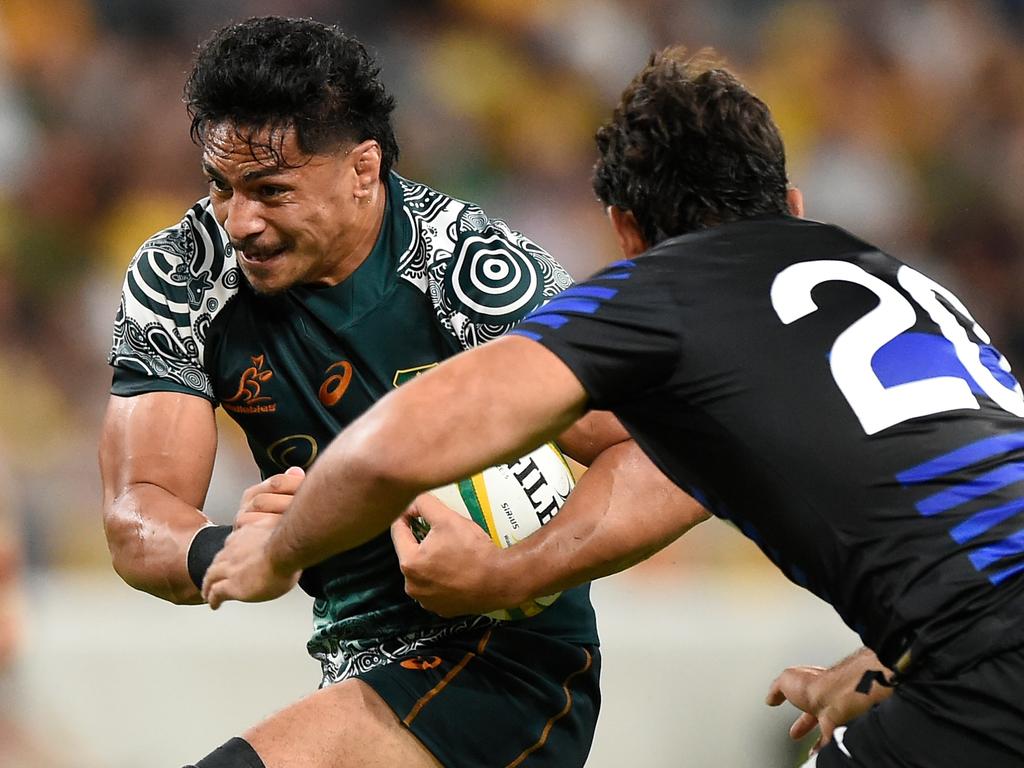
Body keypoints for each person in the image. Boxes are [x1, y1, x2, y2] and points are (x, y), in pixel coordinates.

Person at [202, 47, 1024, 768]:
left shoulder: (662, 294)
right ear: (794, 204)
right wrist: (889, 657)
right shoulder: (901, 278)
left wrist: (279, 551)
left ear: (625, 232)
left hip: (977, 666)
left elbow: (397, 441)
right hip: (962, 650)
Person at [99, 17, 709, 768]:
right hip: (353, 662)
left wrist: (512, 571)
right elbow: (137, 512)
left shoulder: (472, 271)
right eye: (220, 188)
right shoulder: (183, 275)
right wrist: (224, 548)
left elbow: (664, 453)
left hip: (506, 660)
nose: (240, 222)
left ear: (363, 168)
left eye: (271, 190)